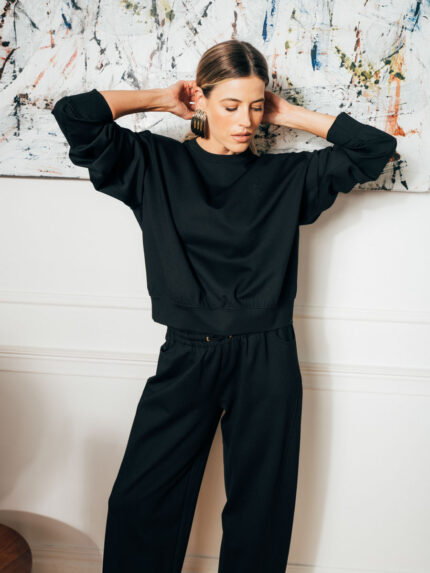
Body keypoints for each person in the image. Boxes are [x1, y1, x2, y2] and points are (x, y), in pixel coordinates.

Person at [50, 39, 397, 573]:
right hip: (188, 353)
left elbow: (375, 148)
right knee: (142, 502)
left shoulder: (287, 178)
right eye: (231, 106)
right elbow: (75, 115)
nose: (246, 122)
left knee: (261, 509)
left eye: (256, 107)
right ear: (203, 100)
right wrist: (161, 99)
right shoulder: (154, 163)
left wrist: (289, 113)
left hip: (268, 355)